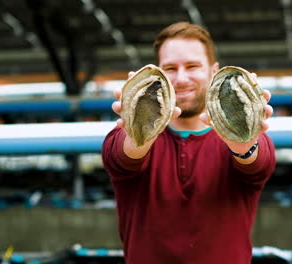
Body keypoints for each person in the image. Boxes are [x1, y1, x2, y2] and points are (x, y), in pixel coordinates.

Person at [101, 21, 276, 264]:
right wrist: (139, 132)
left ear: (214, 71)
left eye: (192, 66)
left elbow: (259, 163)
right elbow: (121, 158)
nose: (181, 78)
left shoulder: (251, 140)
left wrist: (243, 144)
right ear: (158, 71)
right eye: (170, 68)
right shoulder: (123, 135)